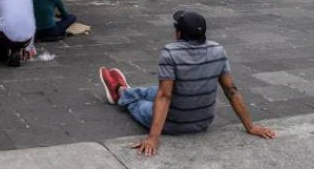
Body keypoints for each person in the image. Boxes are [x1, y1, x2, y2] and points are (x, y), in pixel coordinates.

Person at [98, 11, 275, 156]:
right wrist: (250, 127)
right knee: (153, 90)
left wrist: (153, 138)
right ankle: (126, 90)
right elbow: (231, 90)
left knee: (140, 104)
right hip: (203, 122)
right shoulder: (218, 50)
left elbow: (165, 96)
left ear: (179, 34)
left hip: (173, 124)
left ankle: (120, 93)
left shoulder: (171, 52)